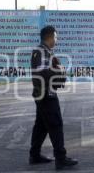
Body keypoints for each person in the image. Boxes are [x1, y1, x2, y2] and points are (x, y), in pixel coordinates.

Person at [30, 26, 78, 170]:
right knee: (55, 125)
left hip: (45, 93)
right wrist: (60, 70)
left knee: (41, 126)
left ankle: (35, 155)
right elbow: (41, 73)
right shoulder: (41, 51)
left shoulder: (45, 51)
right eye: (56, 37)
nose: (56, 40)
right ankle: (61, 158)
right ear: (49, 37)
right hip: (46, 94)